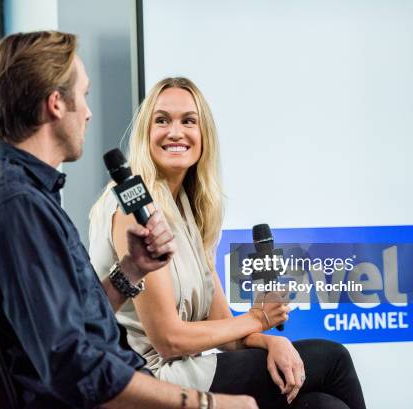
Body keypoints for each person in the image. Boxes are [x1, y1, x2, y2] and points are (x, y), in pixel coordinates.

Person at [0, 31, 258, 409]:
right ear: (55, 104)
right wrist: (203, 404)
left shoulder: (26, 197)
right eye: (83, 95)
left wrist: (131, 270)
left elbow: (74, 322)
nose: (88, 112)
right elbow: (73, 366)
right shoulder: (17, 208)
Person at [89, 77, 367, 409]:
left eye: (188, 121)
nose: (175, 132)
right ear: (146, 133)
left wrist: (267, 341)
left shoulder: (189, 210)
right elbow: (169, 340)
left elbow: (223, 321)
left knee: (322, 405)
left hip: (184, 366)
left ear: (203, 134)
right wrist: (257, 319)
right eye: (161, 120)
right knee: (333, 360)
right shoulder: (135, 208)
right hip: (150, 378)